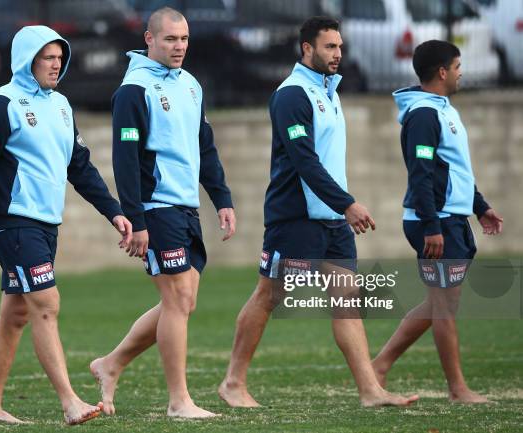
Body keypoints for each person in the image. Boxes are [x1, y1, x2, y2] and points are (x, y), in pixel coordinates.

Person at [218, 16, 419, 408]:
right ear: (306, 48)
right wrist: (347, 203)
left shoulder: (330, 91)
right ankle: (232, 383)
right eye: (329, 47)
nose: (338, 54)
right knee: (268, 296)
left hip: (331, 222)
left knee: (347, 301)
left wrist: (339, 208)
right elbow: (305, 162)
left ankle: (370, 391)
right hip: (295, 220)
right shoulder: (292, 95)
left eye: (340, 47)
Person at [0, 25, 132, 425]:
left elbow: (80, 167)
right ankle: (70, 401)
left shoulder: (60, 106)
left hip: (45, 225)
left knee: (16, 315)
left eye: (60, 58)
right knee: (46, 305)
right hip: (14, 224)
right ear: (27, 60)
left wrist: (114, 210)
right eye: (47, 58)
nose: (56, 65)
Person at [89, 7, 235, 418]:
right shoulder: (133, 90)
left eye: (184, 39)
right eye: (170, 39)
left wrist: (221, 198)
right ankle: (179, 402)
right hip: (156, 208)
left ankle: (110, 364)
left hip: (187, 207)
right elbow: (126, 160)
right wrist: (135, 220)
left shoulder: (190, 85)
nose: (179, 47)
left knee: (183, 303)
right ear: (149, 39)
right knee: (177, 299)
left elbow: (205, 146)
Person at [371, 40, 503, 403]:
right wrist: (431, 225)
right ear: (442, 71)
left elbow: (456, 170)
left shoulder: (445, 111)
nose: (462, 73)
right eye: (458, 66)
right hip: (435, 222)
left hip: (451, 219)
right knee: (444, 304)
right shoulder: (423, 115)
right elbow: (422, 172)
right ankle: (457, 389)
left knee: (442, 301)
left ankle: (379, 366)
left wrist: (480, 206)